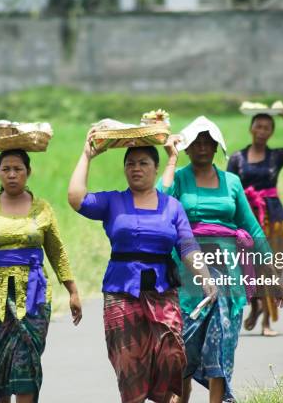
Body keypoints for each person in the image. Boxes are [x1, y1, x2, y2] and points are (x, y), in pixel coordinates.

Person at [68, 130, 217, 403]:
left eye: (143, 163)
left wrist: (205, 276)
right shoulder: (113, 201)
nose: (136, 168)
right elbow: (77, 199)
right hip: (121, 293)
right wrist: (86, 156)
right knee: (129, 365)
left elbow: (187, 246)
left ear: (155, 168)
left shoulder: (171, 206)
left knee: (172, 354)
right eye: (130, 163)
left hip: (162, 291)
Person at [160, 116, 283, 403]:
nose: (203, 147)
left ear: (217, 147)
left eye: (209, 142)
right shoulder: (179, 178)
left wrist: (274, 275)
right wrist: (170, 159)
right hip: (189, 273)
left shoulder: (232, 182)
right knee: (184, 349)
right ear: (188, 148)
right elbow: (161, 200)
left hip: (229, 273)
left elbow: (252, 228)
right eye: (197, 142)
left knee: (220, 346)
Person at [0, 149, 82, 403]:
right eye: (6, 169)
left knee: (26, 361)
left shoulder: (42, 209)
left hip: (34, 298)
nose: (12, 175)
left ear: (29, 172)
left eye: (18, 169)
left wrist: (73, 291)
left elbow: (57, 251)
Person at [227, 105, 283, 336]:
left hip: (273, 217)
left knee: (272, 267)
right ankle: (255, 306)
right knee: (248, 268)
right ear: (251, 128)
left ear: (271, 132)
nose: (262, 131)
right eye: (258, 126)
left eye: (267, 127)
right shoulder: (237, 158)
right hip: (246, 218)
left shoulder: (276, 156)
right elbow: (228, 189)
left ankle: (267, 322)